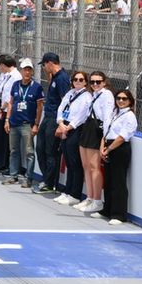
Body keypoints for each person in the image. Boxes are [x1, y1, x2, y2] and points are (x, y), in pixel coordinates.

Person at [75, 71, 114, 214]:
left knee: (94, 166)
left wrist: (105, 139)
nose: (95, 85)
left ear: (104, 82)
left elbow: (107, 117)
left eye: (98, 82)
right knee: (86, 165)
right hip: (88, 126)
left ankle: (97, 200)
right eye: (92, 82)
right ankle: (90, 197)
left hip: (97, 129)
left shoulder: (106, 95)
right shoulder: (94, 95)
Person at [98, 89, 137, 225]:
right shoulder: (115, 113)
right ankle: (107, 210)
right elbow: (106, 131)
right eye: (118, 98)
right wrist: (102, 147)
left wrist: (108, 149)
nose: (120, 101)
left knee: (118, 182)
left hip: (119, 149)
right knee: (108, 180)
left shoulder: (130, 116)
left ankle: (119, 214)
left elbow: (122, 137)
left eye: (124, 99)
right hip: (108, 146)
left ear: (130, 101)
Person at [2, 58, 43, 185]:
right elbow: (11, 103)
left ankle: (28, 178)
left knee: (29, 152)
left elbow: (40, 108)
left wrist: (36, 124)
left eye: (29, 70)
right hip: (14, 123)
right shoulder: (16, 84)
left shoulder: (36, 87)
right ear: (21, 71)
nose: (27, 72)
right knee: (14, 151)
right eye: (25, 69)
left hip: (27, 124)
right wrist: (7, 120)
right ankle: (13, 175)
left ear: (32, 72)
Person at [53, 70, 91, 206]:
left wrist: (68, 128)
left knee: (75, 162)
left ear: (86, 82)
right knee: (68, 161)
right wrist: (60, 123)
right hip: (65, 125)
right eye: (75, 79)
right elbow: (61, 108)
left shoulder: (86, 97)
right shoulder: (70, 94)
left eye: (81, 80)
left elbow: (81, 115)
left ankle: (75, 194)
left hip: (75, 129)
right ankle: (67, 191)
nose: (78, 82)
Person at [36, 52, 70, 192]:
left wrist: (61, 124)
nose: (44, 68)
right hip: (48, 116)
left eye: (44, 65)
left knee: (50, 151)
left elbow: (66, 102)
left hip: (55, 119)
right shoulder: (55, 77)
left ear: (50, 63)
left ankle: (50, 183)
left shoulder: (62, 78)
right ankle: (46, 178)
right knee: (40, 148)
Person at [0, 55, 19, 174]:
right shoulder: (4, 76)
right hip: (0, 105)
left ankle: (5, 164)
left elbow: (10, 96)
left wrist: (3, 108)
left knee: (5, 138)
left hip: (7, 108)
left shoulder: (15, 77)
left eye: (0, 64)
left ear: (4, 65)